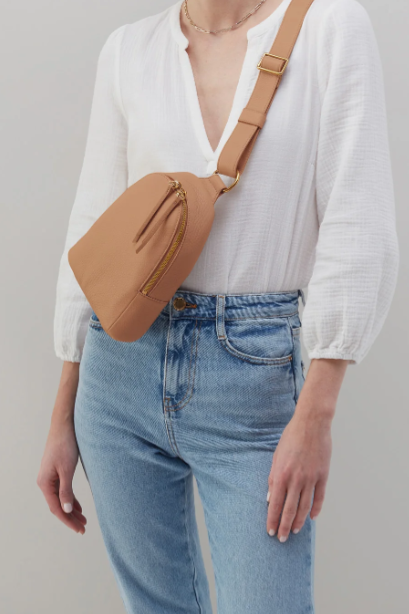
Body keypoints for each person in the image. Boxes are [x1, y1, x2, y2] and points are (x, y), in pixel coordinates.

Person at [37, 0, 399, 612]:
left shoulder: (331, 28)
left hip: (253, 378)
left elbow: (358, 223)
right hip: (119, 373)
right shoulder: (129, 50)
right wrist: (61, 415)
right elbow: (93, 230)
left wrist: (316, 414)